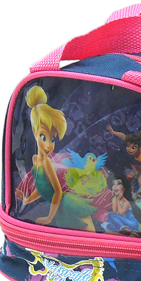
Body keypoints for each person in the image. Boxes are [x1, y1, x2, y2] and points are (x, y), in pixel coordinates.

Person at [16, 86, 97, 231]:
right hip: (60, 208)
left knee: (91, 236)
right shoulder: (36, 160)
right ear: (34, 132)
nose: (49, 145)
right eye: (43, 137)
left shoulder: (46, 162)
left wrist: (48, 218)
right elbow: (41, 188)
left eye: (52, 139)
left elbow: (58, 192)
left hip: (66, 204)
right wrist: (27, 200)